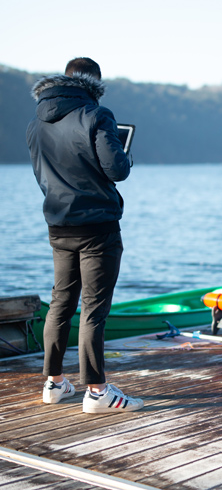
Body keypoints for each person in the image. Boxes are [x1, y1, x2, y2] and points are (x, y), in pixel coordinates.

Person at [26, 57, 144, 414]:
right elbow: (116, 170)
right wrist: (125, 155)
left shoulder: (35, 124)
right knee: (93, 309)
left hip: (58, 224)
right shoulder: (97, 115)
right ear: (95, 84)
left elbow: (42, 175)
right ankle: (97, 392)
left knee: (61, 302)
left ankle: (54, 383)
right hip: (97, 227)